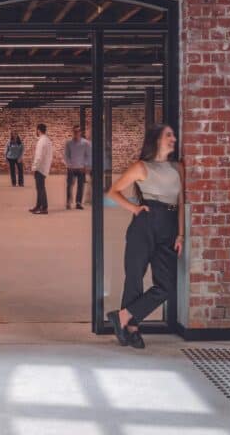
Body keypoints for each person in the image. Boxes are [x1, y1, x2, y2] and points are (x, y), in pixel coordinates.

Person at [106, 123, 184, 349]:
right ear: (157, 140)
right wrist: (134, 209)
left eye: (174, 135)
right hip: (145, 223)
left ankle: (122, 317)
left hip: (169, 226)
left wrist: (180, 234)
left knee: (167, 285)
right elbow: (112, 191)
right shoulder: (141, 167)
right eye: (169, 135)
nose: (174, 139)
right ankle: (132, 327)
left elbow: (181, 203)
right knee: (135, 277)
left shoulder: (178, 168)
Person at [64, 124, 91, 209]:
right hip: (71, 168)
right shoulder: (69, 143)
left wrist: (85, 165)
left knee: (80, 186)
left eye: (78, 131)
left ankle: (78, 203)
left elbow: (88, 155)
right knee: (69, 186)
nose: (76, 133)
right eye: (75, 131)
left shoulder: (85, 143)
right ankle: (68, 202)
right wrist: (69, 165)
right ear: (73, 132)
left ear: (80, 132)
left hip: (81, 168)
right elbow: (66, 155)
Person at [29, 122, 53, 215]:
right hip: (44, 167)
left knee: (41, 188)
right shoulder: (47, 140)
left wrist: (34, 168)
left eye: (36, 130)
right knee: (39, 188)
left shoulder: (41, 141)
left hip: (40, 168)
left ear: (38, 130)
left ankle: (44, 208)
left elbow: (38, 156)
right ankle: (38, 206)